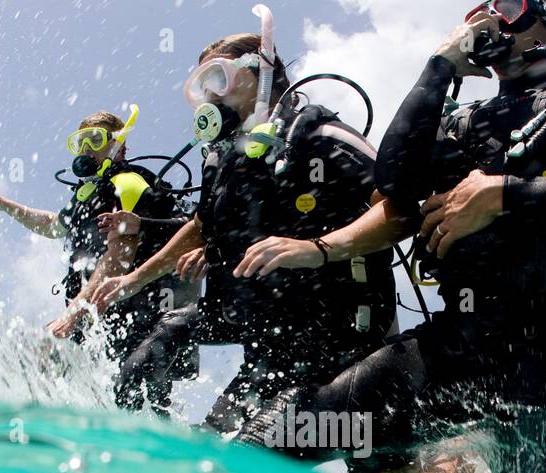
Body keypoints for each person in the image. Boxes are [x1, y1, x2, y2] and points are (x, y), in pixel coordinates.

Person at [235, 1, 546, 473]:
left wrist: (507, 195)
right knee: (276, 437)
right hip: (463, 345)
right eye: (478, 12)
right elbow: (395, 182)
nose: (489, 19)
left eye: (507, 7)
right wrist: (437, 68)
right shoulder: (464, 126)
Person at [87, 18, 397, 433]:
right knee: (152, 355)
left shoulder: (314, 133)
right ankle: (135, 443)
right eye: (201, 88)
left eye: (219, 77)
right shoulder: (221, 160)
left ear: (261, 71)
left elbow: (399, 207)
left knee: (230, 447)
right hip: (260, 323)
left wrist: (318, 248)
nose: (210, 96)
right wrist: (135, 280)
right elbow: (199, 224)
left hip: (332, 326)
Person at [0, 107, 196, 411]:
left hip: (143, 315)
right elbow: (53, 225)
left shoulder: (127, 184)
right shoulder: (86, 194)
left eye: (95, 139)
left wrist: (70, 317)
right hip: (99, 314)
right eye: (80, 142)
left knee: (136, 402)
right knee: (55, 369)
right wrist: (4, 204)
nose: (87, 149)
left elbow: (118, 259)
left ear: (119, 146)